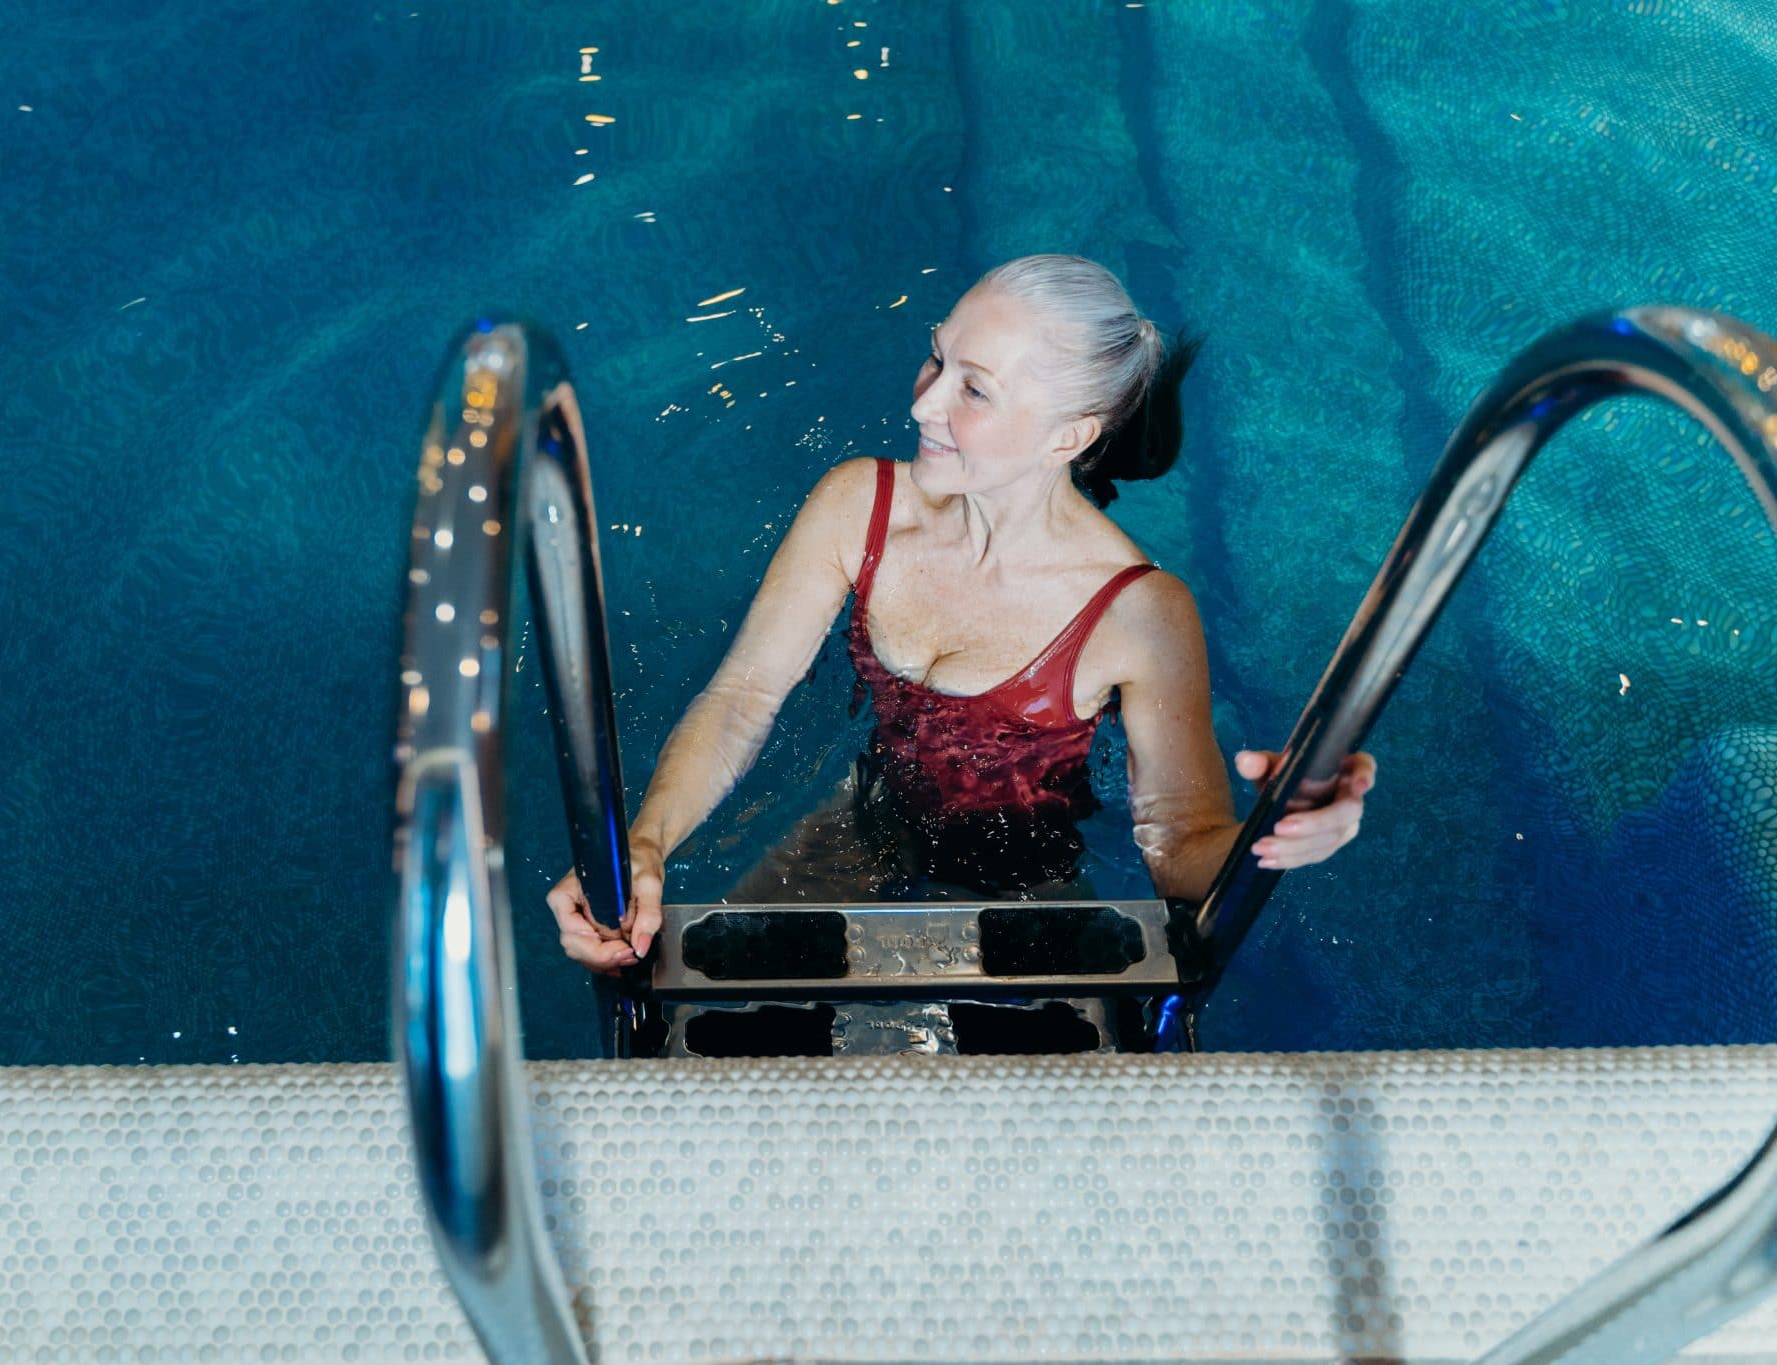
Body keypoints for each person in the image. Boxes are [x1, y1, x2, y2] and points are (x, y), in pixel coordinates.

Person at [547, 254, 1377, 974]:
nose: (922, 403)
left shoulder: (1138, 614)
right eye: (935, 358)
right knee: (724, 1023)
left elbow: (1177, 846)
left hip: (1025, 882)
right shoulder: (858, 505)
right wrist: (646, 844)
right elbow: (742, 699)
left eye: (973, 388)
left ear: (1067, 437)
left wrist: (1278, 831)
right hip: (869, 816)